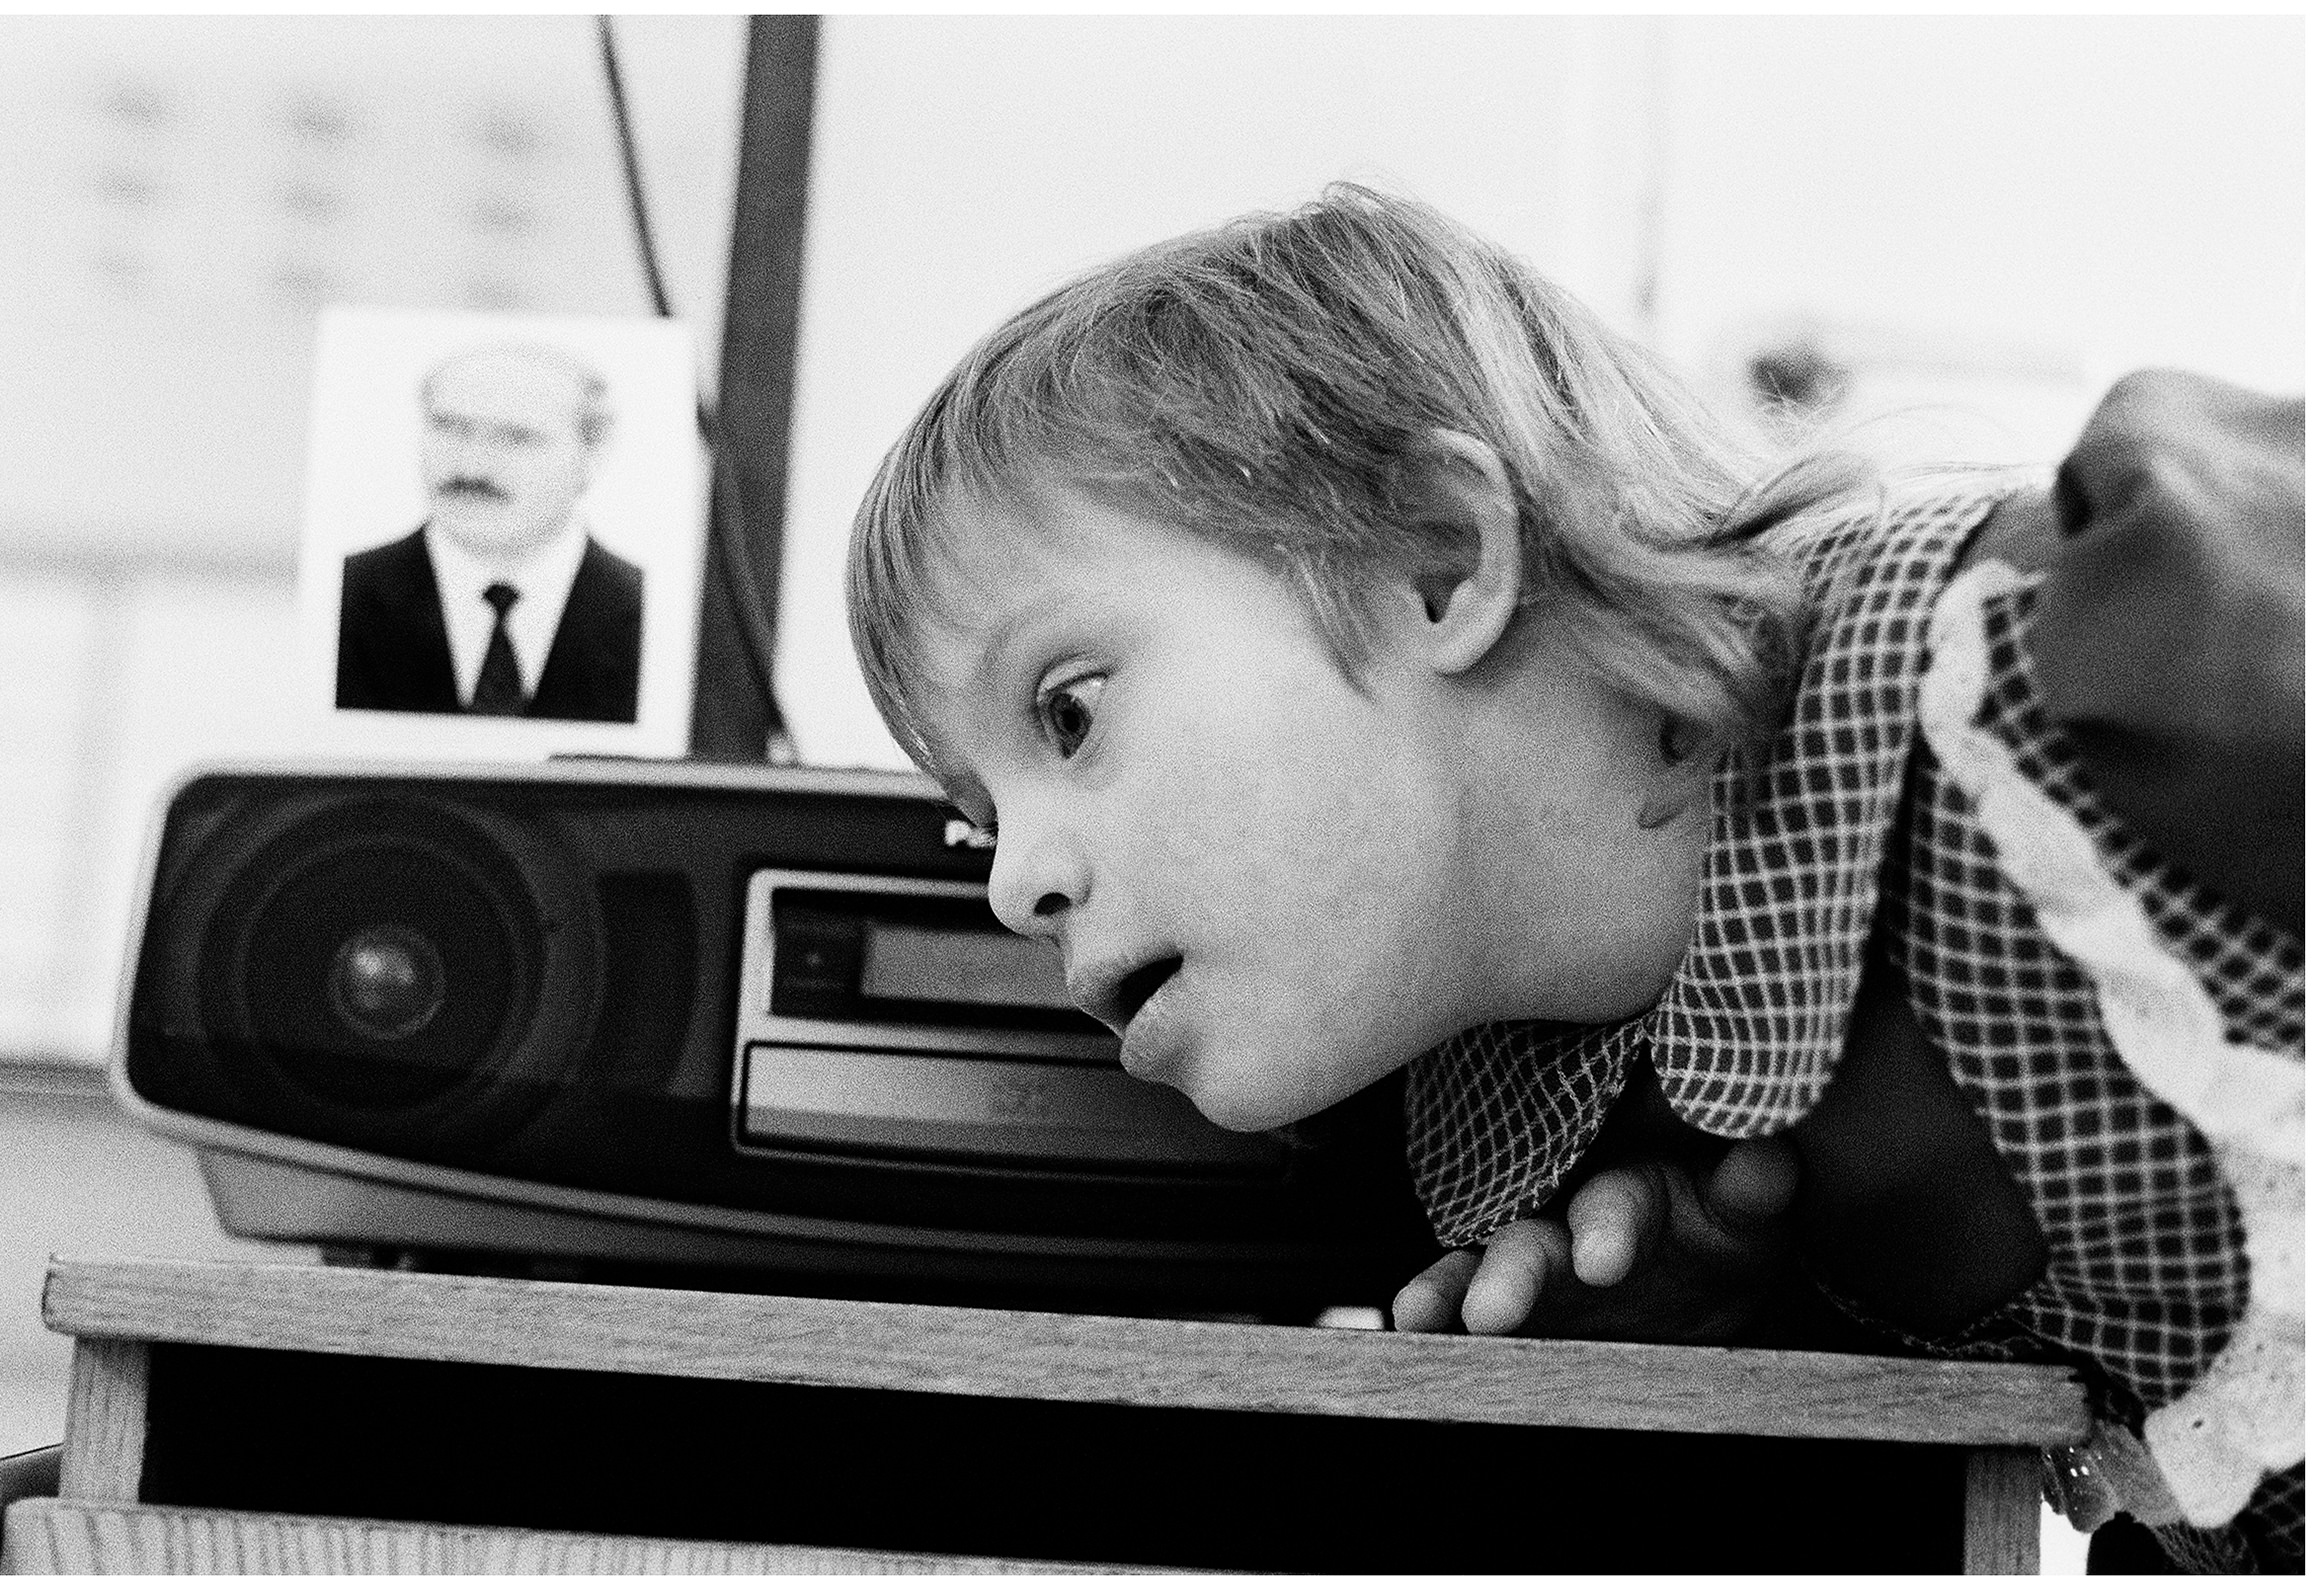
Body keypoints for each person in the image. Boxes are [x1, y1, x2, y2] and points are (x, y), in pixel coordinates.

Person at [841, 186, 2302, 1571]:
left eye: (1069, 711)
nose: (1011, 886)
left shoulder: (2073, 654)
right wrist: (1750, 1337)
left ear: (1438, 562)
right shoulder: (1556, 1136)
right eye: (979, 819)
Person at [336, 343, 643, 722]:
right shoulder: (343, 594)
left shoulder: (650, 613)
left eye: (516, 437)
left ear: (592, 455)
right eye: (451, 428)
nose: (473, 467)